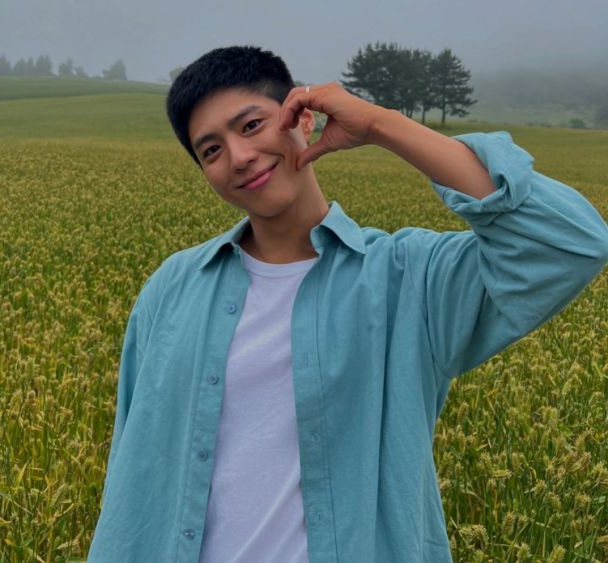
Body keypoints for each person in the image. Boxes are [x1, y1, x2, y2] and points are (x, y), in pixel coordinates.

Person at [87, 46, 608, 562]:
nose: (239, 157)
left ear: (303, 118)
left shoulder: (406, 280)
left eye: (251, 125)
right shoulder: (172, 288)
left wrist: (380, 125)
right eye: (211, 151)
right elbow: (133, 475)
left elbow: (568, 244)